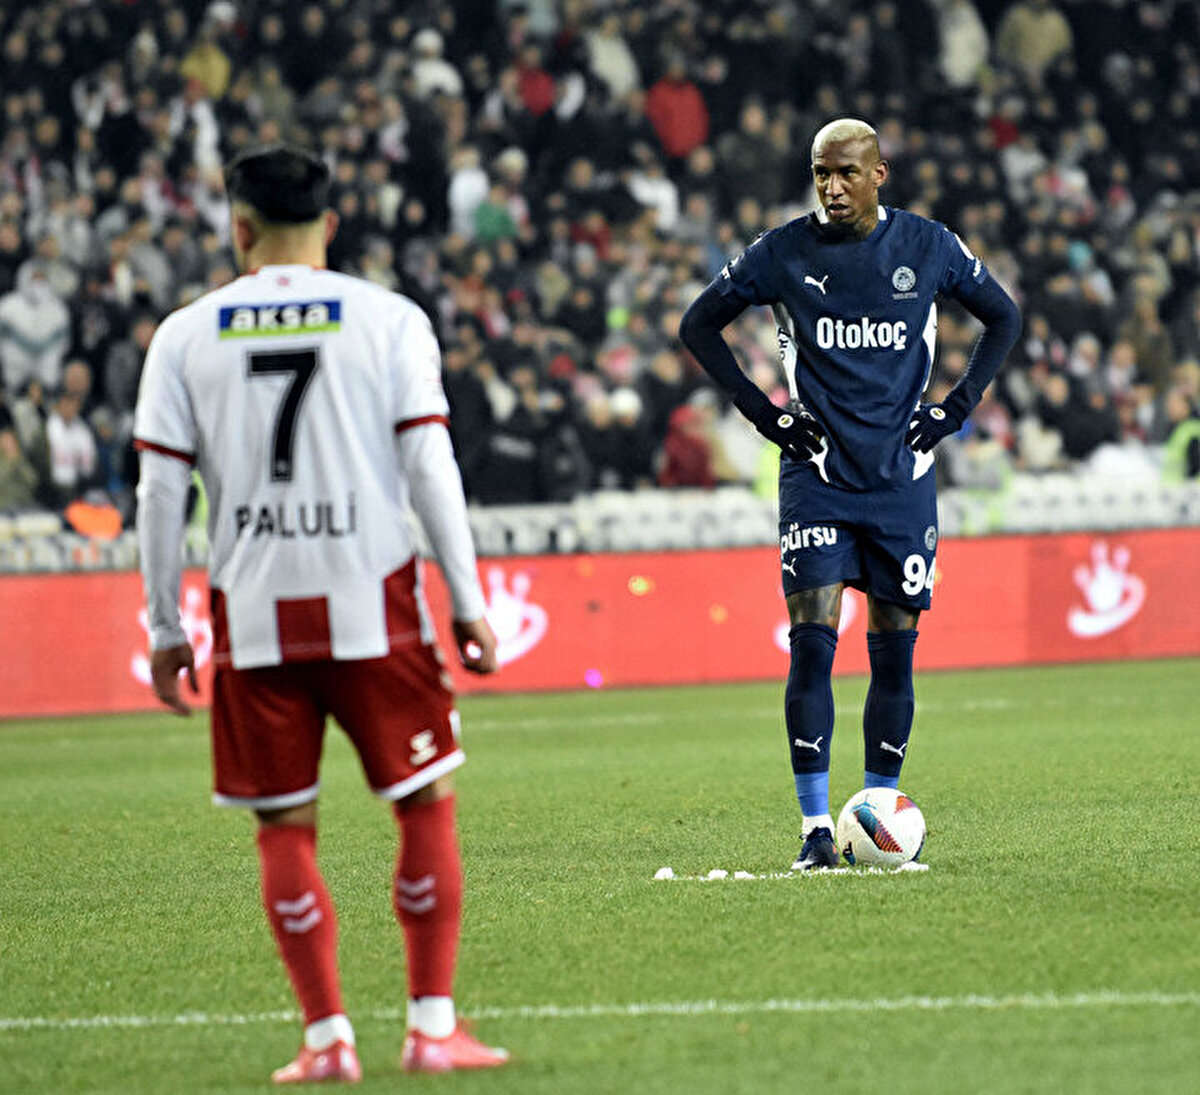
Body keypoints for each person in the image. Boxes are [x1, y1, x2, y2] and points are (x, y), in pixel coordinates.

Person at [133, 146, 509, 1082]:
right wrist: (466, 600)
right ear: (330, 225)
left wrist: (164, 629)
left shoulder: (184, 334)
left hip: (253, 611)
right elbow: (429, 467)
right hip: (372, 601)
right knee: (424, 803)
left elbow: (157, 492)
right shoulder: (390, 321)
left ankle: (326, 1039)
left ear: (240, 225)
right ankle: (430, 1027)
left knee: (285, 827)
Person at [679, 119, 1020, 869]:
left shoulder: (928, 246)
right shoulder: (783, 251)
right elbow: (698, 323)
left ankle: (877, 814)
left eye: (844, 173)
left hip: (902, 476)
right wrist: (766, 416)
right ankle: (813, 829)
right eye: (819, 173)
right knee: (813, 644)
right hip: (819, 474)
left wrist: (955, 411)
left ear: (878, 175)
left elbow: (1004, 316)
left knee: (895, 654)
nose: (830, 187)